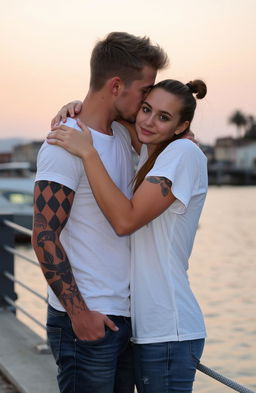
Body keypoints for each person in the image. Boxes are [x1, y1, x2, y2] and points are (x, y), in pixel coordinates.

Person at [47, 78, 208, 393]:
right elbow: (116, 115)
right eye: (147, 109)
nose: (148, 121)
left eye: (163, 116)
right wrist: (77, 107)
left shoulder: (183, 153)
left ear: (181, 126)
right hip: (147, 330)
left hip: (168, 330)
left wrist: (88, 154)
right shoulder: (155, 151)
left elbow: (125, 220)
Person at [32, 31, 168, 393]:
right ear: (117, 86)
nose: (148, 100)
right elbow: (44, 235)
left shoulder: (125, 136)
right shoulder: (64, 144)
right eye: (145, 91)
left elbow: (176, 129)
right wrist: (79, 314)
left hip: (125, 317)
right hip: (87, 320)